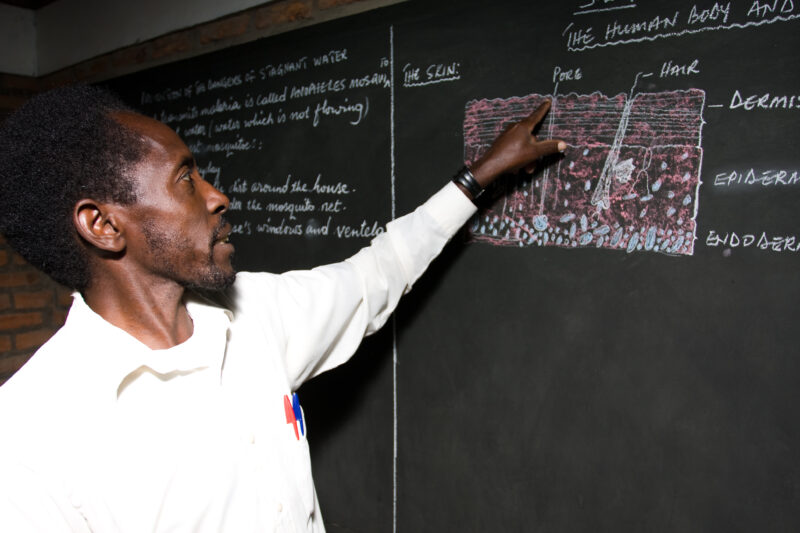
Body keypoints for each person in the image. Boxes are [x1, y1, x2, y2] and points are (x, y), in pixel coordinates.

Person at [0, 85, 565, 532]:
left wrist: (479, 176)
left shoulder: (256, 315)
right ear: (103, 225)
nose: (217, 195)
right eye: (184, 179)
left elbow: (376, 274)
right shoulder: (30, 439)